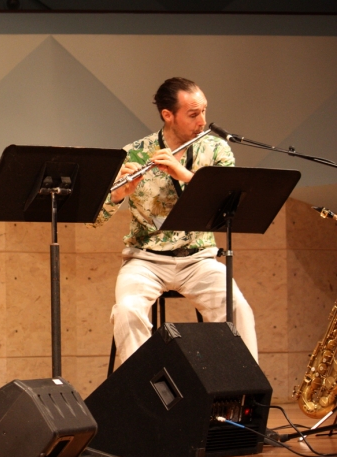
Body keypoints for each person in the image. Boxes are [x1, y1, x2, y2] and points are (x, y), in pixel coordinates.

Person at [91, 77, 258, 366]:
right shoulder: (135, 152)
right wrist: (119, 194)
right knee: (127, 310)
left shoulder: (215, 150)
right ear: (168, 115)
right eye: (193, 114)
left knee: (237, 308)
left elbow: (228, 202)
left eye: (204, 111)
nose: (202, 121)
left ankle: (245, 399)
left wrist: (185, 175)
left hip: (199, 258)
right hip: (144, 259)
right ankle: (145, 397)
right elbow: (96, 219)